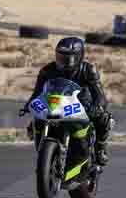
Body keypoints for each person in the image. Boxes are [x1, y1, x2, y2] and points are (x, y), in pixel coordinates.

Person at [20, 37, 112, 166]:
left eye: (70, 58)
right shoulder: (47, 70)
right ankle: (43, 151)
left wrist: (97, 107)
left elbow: (100, 96)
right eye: (61, 57)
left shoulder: (88, 70)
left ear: (80, 57)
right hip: (55, 102)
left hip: (81, 104)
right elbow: (37, 92)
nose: (65, 62)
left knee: (104, 117)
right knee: (36, 120)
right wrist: (28, 105)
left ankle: (100, 149)